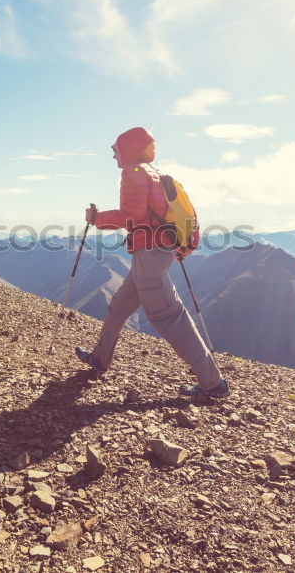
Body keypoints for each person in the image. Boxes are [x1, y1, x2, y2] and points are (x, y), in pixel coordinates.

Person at [75, 126, 230, 399]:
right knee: (119, 306)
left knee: (169, 317)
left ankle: (213, 384)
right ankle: (100, 359)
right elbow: (190, 214)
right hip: (160, 251)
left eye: (116, 150)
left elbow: (130, 217)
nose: (114, 157)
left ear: (129, 149)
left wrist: (96, 219)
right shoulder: (161, 176)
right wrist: (185, 245)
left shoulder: (134, 173)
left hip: (148, 254)